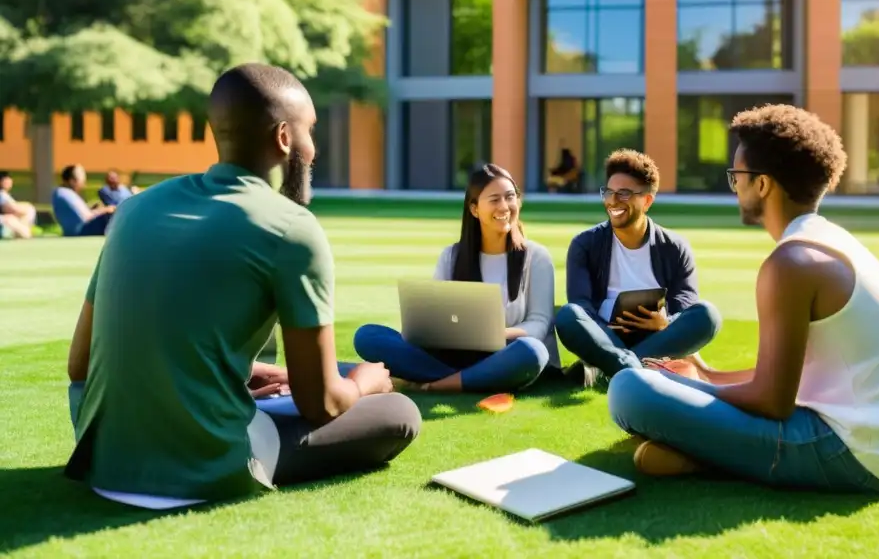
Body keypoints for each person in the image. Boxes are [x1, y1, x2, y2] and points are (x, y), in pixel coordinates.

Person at [64, 63, 421, 508]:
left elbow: (80, 365)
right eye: (311, 132)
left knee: (327, 368)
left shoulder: (136, 209)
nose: (314, 149)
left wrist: (240, 372)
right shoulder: (292, 227)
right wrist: (366, 384)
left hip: (105, 458)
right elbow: (321, 405)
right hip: (204, 465)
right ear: (285, 138)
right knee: (397, 411)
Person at [608, 104, 879, 495]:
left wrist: (692, 389)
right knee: (656, 384)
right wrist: (708, 375)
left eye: (737, 177)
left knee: (630, 390)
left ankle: (705, 454)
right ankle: (701, 453)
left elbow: (772, 401)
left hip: (849, 454)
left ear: (762, 184)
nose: (736, 188)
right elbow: (787, 379)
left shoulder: (791, 263)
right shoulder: (829, 241)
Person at [353, 164, 558, 393]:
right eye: (494, 199)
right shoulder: (452, 257)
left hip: (509, 352)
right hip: (457, 355)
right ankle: (472, 378)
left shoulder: (537, 257)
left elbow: (539, 326)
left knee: (532, 352)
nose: (504, 206)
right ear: (474, 209)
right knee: (367, 335)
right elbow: (437, 319)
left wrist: (494, 335)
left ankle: (436, 383)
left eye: (510, 197)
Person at [555, 149, 722, 388]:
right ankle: (631, 367)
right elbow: (581, 306)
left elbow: (685, 307)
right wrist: (605, 329)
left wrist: (664, 322)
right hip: (603, 336)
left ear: (647, 201)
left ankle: (609, 371)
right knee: (568, 316)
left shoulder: (674, 248)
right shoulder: (585, 244)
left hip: (657, 337)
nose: (613, 200)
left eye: (623, 193)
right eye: (609, 192)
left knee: (708, 315)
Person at [52, 165, 116, 236]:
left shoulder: (61, 192)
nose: (83, 184)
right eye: (81, 181)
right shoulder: (65, 192)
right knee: (112, 214)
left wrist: (93, 208)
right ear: (72, 181)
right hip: (80, 231)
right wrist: (106, 210)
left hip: (77, 229)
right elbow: (86, 216)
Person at [0, 171, 36, 239]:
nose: (8, 182)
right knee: (11, 220)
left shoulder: (4, 194)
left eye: (9, 179)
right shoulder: (1, 195)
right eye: (5, 180)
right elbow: (9, 209)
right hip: (5, 221)